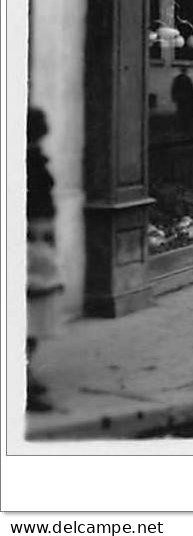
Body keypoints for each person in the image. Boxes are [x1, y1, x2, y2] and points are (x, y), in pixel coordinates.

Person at [27, 106, 63, 413]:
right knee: (29, 313)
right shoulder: (26, 160)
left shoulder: (34, 157)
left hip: (39, 244)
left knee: (35, 312)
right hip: (29, 245)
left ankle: (25, 374)